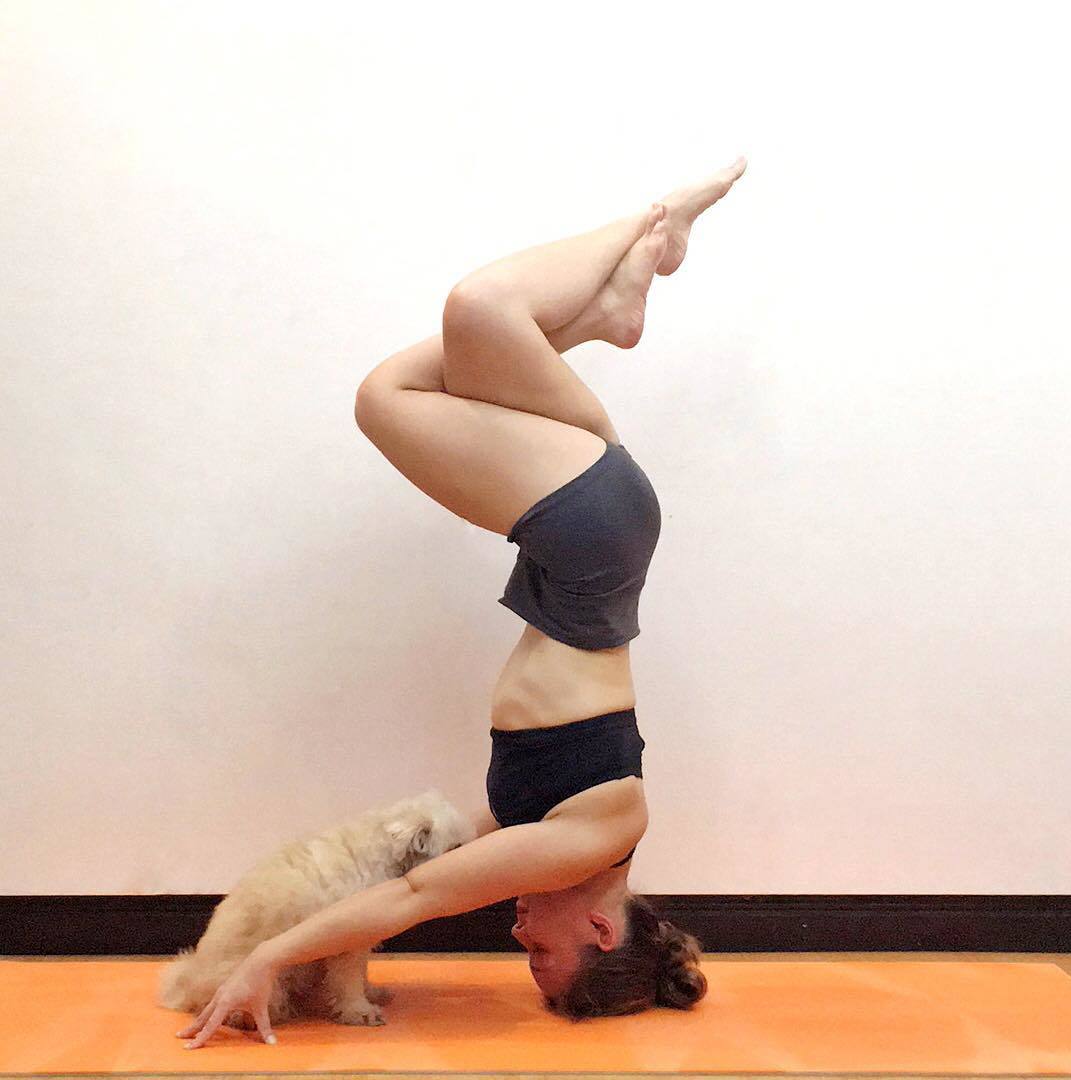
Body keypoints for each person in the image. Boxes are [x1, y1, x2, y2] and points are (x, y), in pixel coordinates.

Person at [178, 155, 747, 1048]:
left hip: (586, 543)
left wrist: (277, 940)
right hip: (590, 541)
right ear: (601, 933)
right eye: (543, 955)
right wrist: (269, 959)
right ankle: (652, 228)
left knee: (408, 383)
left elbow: (414, 876)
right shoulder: (594, 838)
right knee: (472, 321)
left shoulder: (554, 839)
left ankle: (605, 314)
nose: (519, 939)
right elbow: (421, 896)